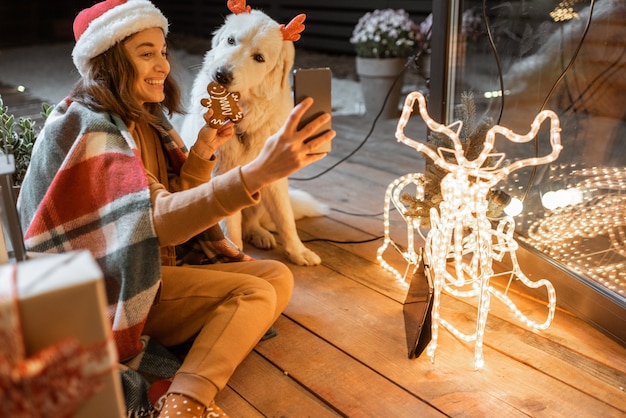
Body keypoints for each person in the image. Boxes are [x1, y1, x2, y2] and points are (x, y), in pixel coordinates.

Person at [17, 0, 334, 417]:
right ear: (108, 62)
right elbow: (156, 223)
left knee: (276, 274)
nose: (163, 66)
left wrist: (201, 152)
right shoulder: (94, 129)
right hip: (110, 289)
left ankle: (209, 330)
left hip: (141, 262)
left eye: (163, 52)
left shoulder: (144, 118)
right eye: (145, 53)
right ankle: (185, 400)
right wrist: (257, 173)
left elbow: (163, 210)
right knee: (255, 291)